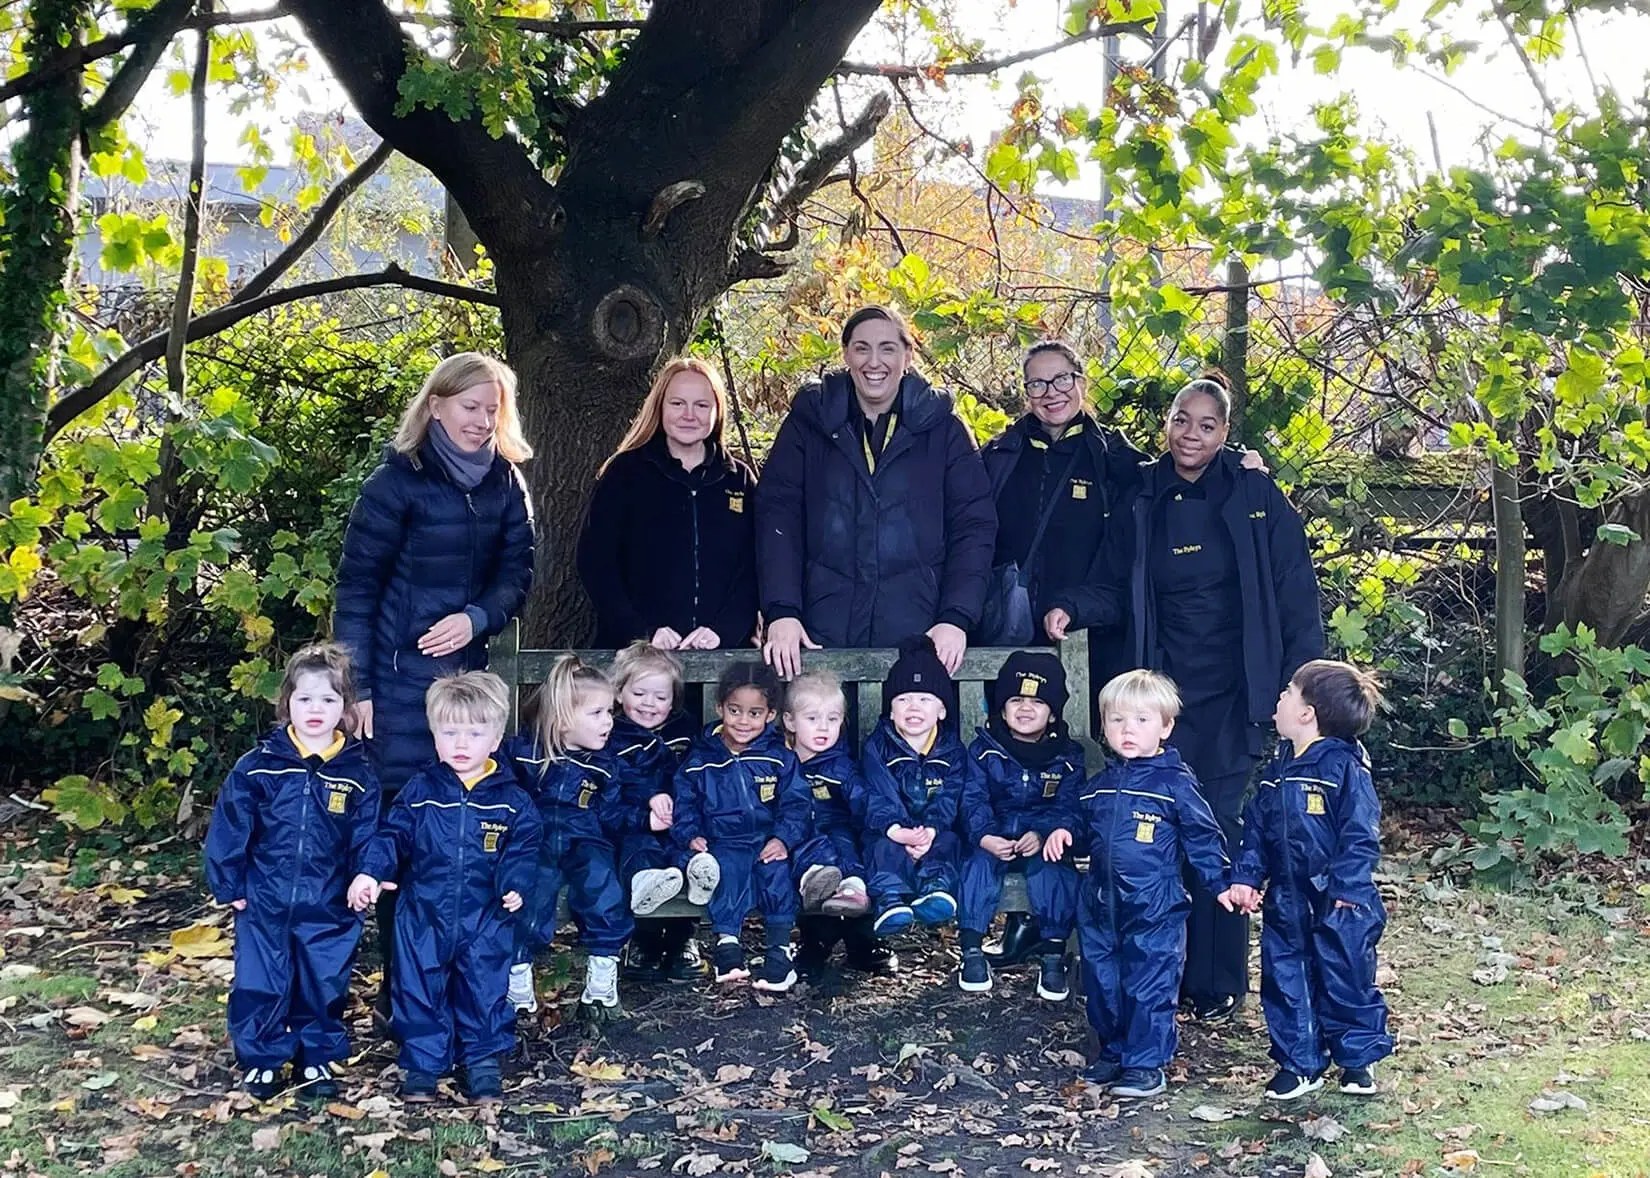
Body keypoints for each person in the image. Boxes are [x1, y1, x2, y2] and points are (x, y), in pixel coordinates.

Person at [1045, 370, 1322, 1022]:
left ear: (1225, 433)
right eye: (1180, 420)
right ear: (1165, 423)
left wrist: (1301, 686)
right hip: (1161, 704)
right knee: (1154, 837)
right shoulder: (1143, 495)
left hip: (1235, 695)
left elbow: (1295, 594)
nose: (1190, 433)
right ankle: (1153, 977)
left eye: (1206, 424)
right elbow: (1112, 585)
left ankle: (1217, 981)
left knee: (1218, 831)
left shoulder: (1254, 494)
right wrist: (1068, 606)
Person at [333, 352, 535, 1025]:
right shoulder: (397, 483)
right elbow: (357, 589)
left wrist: (476, 617)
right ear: (437, 406)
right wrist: (355, 687)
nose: (482, 420)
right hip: (395, 693)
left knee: (465, 840)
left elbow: (518, 576)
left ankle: (461, 992)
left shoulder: (507, 485)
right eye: (470, 406)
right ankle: (401, 995)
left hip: (464, 699)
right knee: (404, 840)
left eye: (492, 409)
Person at [757, 305, 996, 677]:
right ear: (846, 354)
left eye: (887, 348)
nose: (874, 361)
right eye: (862, 347)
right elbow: (778, 518)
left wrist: (956, 616)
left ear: (907, 355)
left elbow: (974, 526)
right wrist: (782, 611)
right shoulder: (809, 423)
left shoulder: (944, 430)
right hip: (819, 630)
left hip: (920, 631)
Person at [349, 673, 541, 1104]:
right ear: (434, 735)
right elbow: (391, 835)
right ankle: (421, 1062)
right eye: (450, 732)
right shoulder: (420, 791)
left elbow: (524, 848)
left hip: (485, 914)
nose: (461, 743)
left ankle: (482, 1062)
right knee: (419, 986)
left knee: (483, 986)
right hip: (424, 912)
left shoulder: (512, 801)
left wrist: (514, 884)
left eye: (474, 733)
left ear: (494, 739)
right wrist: (371, 871)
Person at [1044, 670, 1233, 1099]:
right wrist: (1062, 830)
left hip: (1154, 907)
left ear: (1165, 726)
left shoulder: (1175, 785)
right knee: (1103, 981)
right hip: (1099, 905)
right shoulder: (1100, 786)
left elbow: (1203, 838)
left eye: (1142, 720)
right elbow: (1075, 815)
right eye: (1116, 721)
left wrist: (1220, 883)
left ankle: (1146, 1064)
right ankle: (1112, 1052)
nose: (1128, 730)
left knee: (1149, 982)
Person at [205, 644, 380, 1101]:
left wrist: (367, 874)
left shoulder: (358, 774)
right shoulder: (259, 766)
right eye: (305, 699)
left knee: (322, 983)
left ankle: (315, 1057)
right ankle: (262, 1058)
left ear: (345, 707)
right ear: (287, 704)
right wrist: (231, 882)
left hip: (330, 902)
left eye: (328, 700)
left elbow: (370, 835)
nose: (316, 710)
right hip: (265, 899)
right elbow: (230, 825)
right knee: (260, 982)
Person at [1221, 660, 1393, 1101]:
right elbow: (1257, 829)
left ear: (1306, 713)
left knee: (1346, 975)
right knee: (1285, 975)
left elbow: (1360, 835)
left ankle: (1356, 1060)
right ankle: (1300, 1064)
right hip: (1287, 897)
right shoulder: (1278, 769)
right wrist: (1246, 875)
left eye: (1286, 693)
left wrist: (1348, 891)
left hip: (1341, 901)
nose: (1277, 701)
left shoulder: (1344, 769)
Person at [578, 358, 758, 650]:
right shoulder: (625, 473)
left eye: (701, 405)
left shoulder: (739, 479)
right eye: (677, 404)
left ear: (717, 411)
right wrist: (642, 632)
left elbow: (754, 567)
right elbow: (595, 562)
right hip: (640, 654)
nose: (689, 415)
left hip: (724, 652)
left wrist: (723, 631)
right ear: (660, 406)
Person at [672, 661, 820, 992]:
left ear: (770, 715)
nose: (743, 721)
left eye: (754, 713)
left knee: (777, 871)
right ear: (719, 707)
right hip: (723, 840)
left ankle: (779, 953)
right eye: (735, 710)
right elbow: (685, 804)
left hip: (768, 839)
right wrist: (690, 835)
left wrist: (783, 839)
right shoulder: (700, 759)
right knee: (728, 870)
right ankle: (728, 946)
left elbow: (796, 804)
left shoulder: (779, 758)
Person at [501, 656, 633, 1016]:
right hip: (535, 842)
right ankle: (517, 978)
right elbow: (501, 796)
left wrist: (646, 818)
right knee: (529, 890)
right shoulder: (524, 755)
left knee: (603, 884)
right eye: (597, 713)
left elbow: (612, 812)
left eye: (609, 712)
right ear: (561, 721)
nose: (608, 722)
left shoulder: (604, 764)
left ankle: (602, 977)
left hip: (585, 840)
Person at [956, 651, 1083, 1001]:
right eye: (1016, 699)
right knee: (976, 868)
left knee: (1055, 871)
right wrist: (984, 836)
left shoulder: (1067, 758)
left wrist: (1043, 834)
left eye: (1038, 702)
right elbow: (972, 800)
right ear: (1000, 707)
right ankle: (971, 951)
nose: (1025, 709)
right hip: (993, 836)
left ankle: (1053, 954)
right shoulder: (983, 751)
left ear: (1053, 712)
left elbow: (1070, 807)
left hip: (1038, 841)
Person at [608, 642, 706, 982]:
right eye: (640, 693)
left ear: (674, 700)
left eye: (661, 697)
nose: (650, 704)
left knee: (687, 856)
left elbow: (697, 772)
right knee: (640, 857)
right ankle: (643, 942)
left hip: (681, 819)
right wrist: (648, 803)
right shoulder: (612, 735)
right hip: (634, 821)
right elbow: (615, 782)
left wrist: (680, 805)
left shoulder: (684, 731)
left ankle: (682, 940)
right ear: (619, 694)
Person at [860, 636, 967, 937]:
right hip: (889, 828)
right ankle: (890, 900)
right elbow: (879, 796)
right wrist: (898, 830)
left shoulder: (952, 750)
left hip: (933, 830)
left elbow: (950, 797)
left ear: (942, 710)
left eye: (925, 699)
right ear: (890, 710)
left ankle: (935, 890)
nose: (913, 707)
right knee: (880, 847)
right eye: (903, 699)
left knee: (950, 842)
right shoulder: (877, 747)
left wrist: (930, 830)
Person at [783, 671, 881, 976]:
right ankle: (815, 941)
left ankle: (856, 899)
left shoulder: (841, 765)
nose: (823, 727)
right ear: (789, 722)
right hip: (796, 835)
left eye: (833, 719)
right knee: (808, 855)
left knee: (846, 846)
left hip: (837, 827)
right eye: (812, 719)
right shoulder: (779, 761)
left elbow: (862, 801)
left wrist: (886, 824)